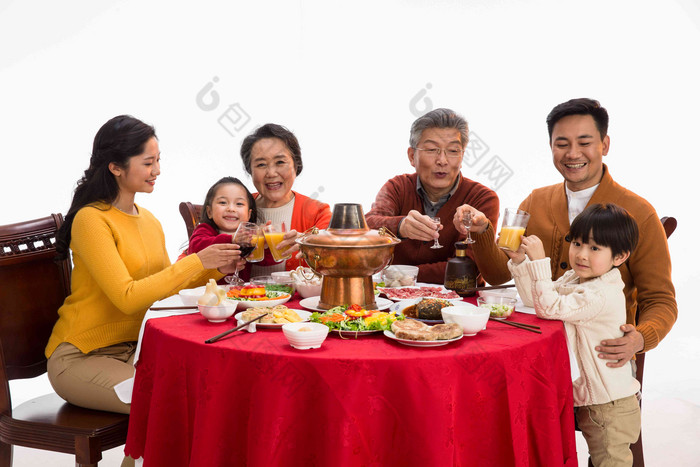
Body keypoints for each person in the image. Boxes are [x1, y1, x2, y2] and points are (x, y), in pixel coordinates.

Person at [454, 98, 677, 367]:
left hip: (596, 360)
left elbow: (660, 299)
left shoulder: (639, 212)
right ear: (551, 147)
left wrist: (640, 339)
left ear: (604, 145)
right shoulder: (536, 201)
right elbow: (499, 275)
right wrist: (482, 232)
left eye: (584, 143)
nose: (572, 153)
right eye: (562, 144)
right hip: (533, 349)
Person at [46, 115, 241, 415]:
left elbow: (166, 288)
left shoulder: (149, 220)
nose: (157, 171)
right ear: (115, 167)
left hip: (135, 350)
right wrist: (197, 261)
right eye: (148, 162)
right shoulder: (91, 220)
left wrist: (215, 269)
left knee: (207, 389)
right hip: (80, 358)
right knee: (170, 404)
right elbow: (128, 297)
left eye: (158, 161)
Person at [509, 203, 641, 466]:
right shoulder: (575, 279)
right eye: (577, 243)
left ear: (620, 257)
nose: (581, 254)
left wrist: (539, 262)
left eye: (594, 248)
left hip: (610, 406)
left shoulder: (600, 294)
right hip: (594, 402)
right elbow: (536, 300)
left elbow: (549, 307)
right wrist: (520, 261)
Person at [365, 108, 499, 284]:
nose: (442, 160)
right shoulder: (397, 187)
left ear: (462, 156)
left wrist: (404, 274)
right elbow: (366, 228)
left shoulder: (482, 198)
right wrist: (400, 226)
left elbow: (466, 270)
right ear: (412, 156)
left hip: (458, 306)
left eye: (452, 151)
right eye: (431, 149)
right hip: (394, 303)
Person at [239, 123, 331, 275]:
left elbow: (340, 260)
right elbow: (196, 255)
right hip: (240, 297)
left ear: (296, 166)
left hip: (299, 299)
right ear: (250, 170)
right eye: (261, 164)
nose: (271, 173)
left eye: (280, 162)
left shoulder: (318, 212)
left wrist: (308, 243)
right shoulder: (236, 208)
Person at [181, 176, 256, 283]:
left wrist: (268, 245)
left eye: (239, 204)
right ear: (209, 212)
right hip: (206, 294)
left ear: (248, 214)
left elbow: (263, 261)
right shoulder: (205, 229)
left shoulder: (248, 236)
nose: (231, 208)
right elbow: (196, 247)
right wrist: (232, 239)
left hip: (239, 295)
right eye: (223, 202)